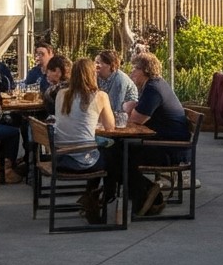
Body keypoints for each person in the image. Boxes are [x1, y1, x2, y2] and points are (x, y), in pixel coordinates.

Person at [107, 53, 189, 218]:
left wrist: (127, 107)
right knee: (116, 152)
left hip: (170, 149)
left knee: (118, 156)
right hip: (162, 142)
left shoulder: (153, 89)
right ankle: (142, 193)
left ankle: (144, 194)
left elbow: (136, 120)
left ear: (145, 70)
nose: (131, 73)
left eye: (135, 69)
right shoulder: (152, 85)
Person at [53, 57, 115, 224]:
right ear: (91, 74)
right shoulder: (99, 96)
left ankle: (91, 195)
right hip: (82, 160)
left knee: (101, 152)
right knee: (115, 156)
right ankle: (103, 198)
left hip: (59, 157)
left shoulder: (61, 94)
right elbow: (110, 127)